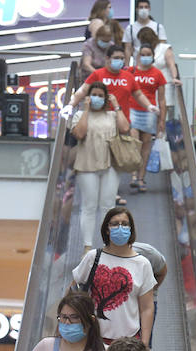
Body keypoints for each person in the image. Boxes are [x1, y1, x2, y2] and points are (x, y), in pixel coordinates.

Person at [71, 207, 156, 343]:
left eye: (125, 224)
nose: (120, 228)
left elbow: (147, 308)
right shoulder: (92, 257)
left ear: (131, 229)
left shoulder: (142, 264)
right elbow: (72, 292)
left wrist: (144, 344)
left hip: (128, 342)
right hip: (93, 340)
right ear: (106, 229)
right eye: (115, 224)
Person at [70, 83, 132, 251]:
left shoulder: (112, 115)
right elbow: (79, 134)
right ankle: (87, 247)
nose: (97, 98)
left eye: (100, 95)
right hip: (86, 165)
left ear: (106, 98)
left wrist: (117, 105)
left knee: (108, 206)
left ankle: (108, 245)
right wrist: (86, 109)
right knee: (89, 206)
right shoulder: (79, 115)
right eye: (94, 95)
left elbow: (125, 128)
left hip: (111, 165)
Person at [127, 43, 167, 193]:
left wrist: (162, 120)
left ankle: (141, 178)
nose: (145, 57)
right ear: (138, 56)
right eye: (142, 54)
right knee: (134, 143)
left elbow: (162, 99)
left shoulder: (158, 74)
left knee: (145, 146)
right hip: (132, 110)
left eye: (148, 54)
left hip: (150, 112)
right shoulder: (131, 71)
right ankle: (133, 175)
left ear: (152, 56)